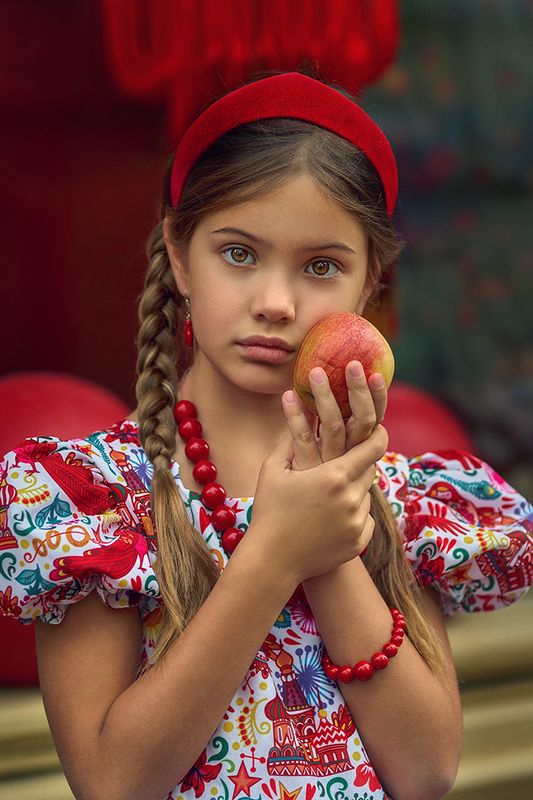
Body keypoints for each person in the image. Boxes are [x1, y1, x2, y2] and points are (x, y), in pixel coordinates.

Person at [1, 71, 532, 800]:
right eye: (239, 253)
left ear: (368, 284)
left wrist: (330, 547)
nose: (276, 303)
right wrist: (277, 551)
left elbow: (426, 771)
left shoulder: (392, 499)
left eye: (320, 266)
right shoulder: (100, 501)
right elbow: (114, 784)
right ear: (180, 256)